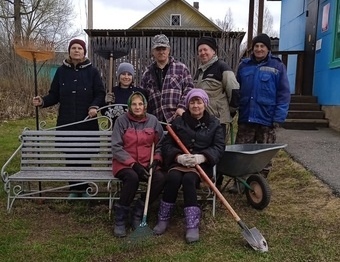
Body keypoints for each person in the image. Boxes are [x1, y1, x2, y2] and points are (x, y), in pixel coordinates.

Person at [32, 38, 106, 197]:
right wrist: (43, 101)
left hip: (86, 121)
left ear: (84, 52)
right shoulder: (61, 71)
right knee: (71, 154)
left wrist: (94, 106)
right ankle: (74, 189)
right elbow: (54, 95)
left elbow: (100, 93)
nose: (77, 50)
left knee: (85, 155)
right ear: (69, 51)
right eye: (74, 48)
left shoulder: (92, 72)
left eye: (80, 48)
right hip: (67, 121)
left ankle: (85, 188)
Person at [153, 89, 225, 243]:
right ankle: (163, 218)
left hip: (201, 165)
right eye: (192, 102)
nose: (195, 105)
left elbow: (219, 147)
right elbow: (166, 145)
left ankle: (192, 224)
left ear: (205, 104)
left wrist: (202, 157)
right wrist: (178, 157)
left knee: (189, 180)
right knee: (172, 177)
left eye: (199, 102)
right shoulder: (178, 122)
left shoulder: (214, 124)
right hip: (180, 162)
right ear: (187, 104)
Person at [235, 33, 290, 177]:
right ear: (252, 49)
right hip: (246, 118)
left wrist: (279, 117)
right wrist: (234, 108)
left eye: (262, 46)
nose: (259, 49)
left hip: (267, 118)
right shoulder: (244, 66)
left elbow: (284, 94)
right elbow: (236, 90)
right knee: (242, 152)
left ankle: (259, 184)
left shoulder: (277, 66)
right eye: (256, 46)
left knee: (264, 155)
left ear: (268, 48)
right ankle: (241, 182)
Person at [111, 91, 165, 238]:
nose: (137, 107)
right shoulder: (121, 121)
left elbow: (160, 144)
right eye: (134, 104)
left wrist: (157, 159)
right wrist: (133, 164)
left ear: (145, 106)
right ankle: (120, 219)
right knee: (132, 178)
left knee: (160, 179)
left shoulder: (153, 121)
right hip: (125, 164)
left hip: (148, 164)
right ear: (129, 106)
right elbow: (116, 147)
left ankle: (138, 211)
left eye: (140, 104)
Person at [194, 36, 240, 189]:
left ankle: (217, 184)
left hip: (218, 120)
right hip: (202, 120)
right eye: (200, 50)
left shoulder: (222, 67)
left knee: (217, 151)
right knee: (204, 151)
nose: (202, 53)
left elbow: (233, 90)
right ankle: (205, 181)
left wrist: (230, 113)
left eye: (205, 49)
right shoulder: (199, 71)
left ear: (213, 51)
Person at [141, 34, 194, 124]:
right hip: (155, 121)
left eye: (164, 49)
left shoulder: (181, 68)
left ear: (169, 50)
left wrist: (181, 107)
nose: (161, 52)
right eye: (158, 49)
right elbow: (142, 97)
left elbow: (189, 90)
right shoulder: (147, 73)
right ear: (153, 52)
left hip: (177, 118)